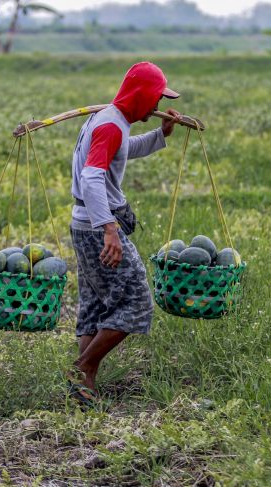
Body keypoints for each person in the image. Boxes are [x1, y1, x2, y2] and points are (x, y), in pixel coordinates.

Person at [67, 61, 181, 408]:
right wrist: (110, 230)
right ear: (140, 95)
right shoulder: (110, 125)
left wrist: (161, 135)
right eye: (156, 98)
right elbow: (91, 178)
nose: (157, 104)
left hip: (84, 224)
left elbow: (122, 151)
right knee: (136, 303)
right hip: (96, 227)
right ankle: (82, 367)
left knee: (95, 304)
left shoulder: (113, 122)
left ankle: (82, 386)